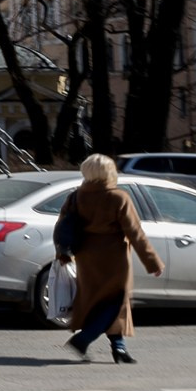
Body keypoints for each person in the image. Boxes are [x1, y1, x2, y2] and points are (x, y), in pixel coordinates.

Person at [56, 154, 163, 363]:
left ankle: (119, 347)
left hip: (85, 256)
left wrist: (62, 254)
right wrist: (152, 262)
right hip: (114, 258)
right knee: (116, 302)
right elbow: (135, 233)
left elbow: (62, 227)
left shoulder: (75, 197)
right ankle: (84, 338)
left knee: (98, 302)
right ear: (110, 172)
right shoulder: (118, 197)